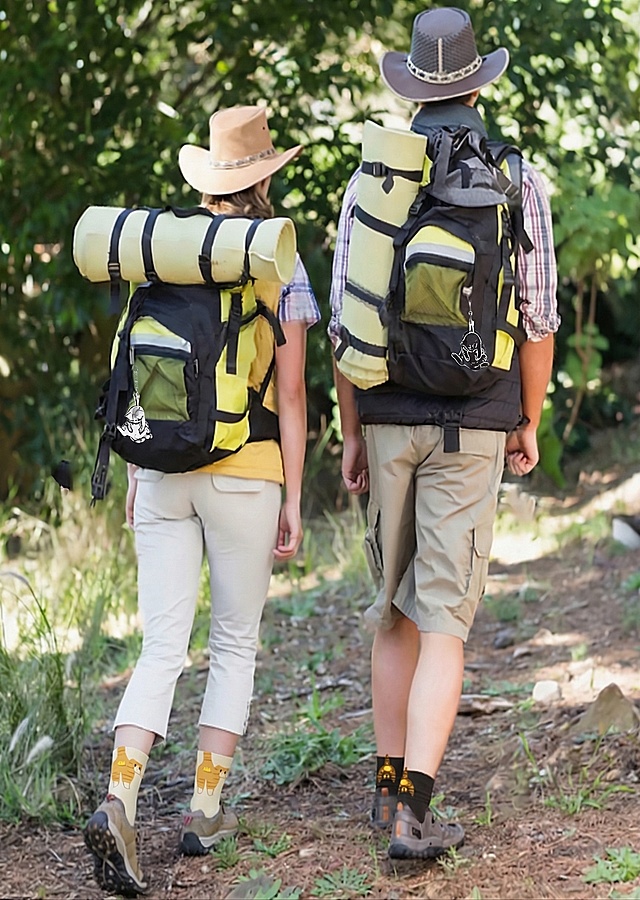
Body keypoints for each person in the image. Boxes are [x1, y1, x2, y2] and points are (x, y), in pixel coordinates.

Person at [329, 8, 560, 860]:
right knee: (445, 623)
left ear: (412, 90)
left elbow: (346, 326)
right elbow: (538, 320)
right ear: (475, 81)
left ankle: (387, 796)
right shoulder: (516, 179)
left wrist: (352, 433)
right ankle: (416, 815)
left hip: (385, 415)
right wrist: (526, 418)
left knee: (391, 613)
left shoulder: (371, 183)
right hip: (475, 423)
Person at [84, 105, 320, 895]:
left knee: (160, 644)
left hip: (157, 468)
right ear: (266, 176)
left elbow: (133, 371)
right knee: (234, 641)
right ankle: (203, 808)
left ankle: (118, 795)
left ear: (207, 180)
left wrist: (134, 472)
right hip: (244, 470)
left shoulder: (162, 252)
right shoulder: (276, 258)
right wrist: (291, 489)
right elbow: (291, 393)